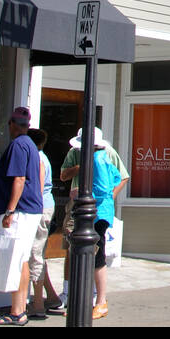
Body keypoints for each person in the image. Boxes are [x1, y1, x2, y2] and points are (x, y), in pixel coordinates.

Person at [59, 128, 128, 319]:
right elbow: (115, 177)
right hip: (93, 210)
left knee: (95, 255)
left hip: (96, 212)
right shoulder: (99, 158)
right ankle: (82, 299)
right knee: (81, 252)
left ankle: (100, 301)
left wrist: (84, 193)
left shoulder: (98, 159)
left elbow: (109, 184)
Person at [0, 106, 43, 325]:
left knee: (16, 260)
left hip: (20, 212)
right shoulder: (30, 145)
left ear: (11, 124)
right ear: (27, 125)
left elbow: (19, 179)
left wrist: (9, 210)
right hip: (29, 211)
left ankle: (17, 312)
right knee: (22, 260)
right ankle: (20, 308)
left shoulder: (19, 145)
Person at [26, 129, 61, 318]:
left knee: (35, 254)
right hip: (47, 206)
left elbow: (37, 187)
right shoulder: (43, 156)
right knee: (39, 253)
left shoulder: (38, 159)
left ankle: (38, 304)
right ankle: (52, 296)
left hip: (39, 208)